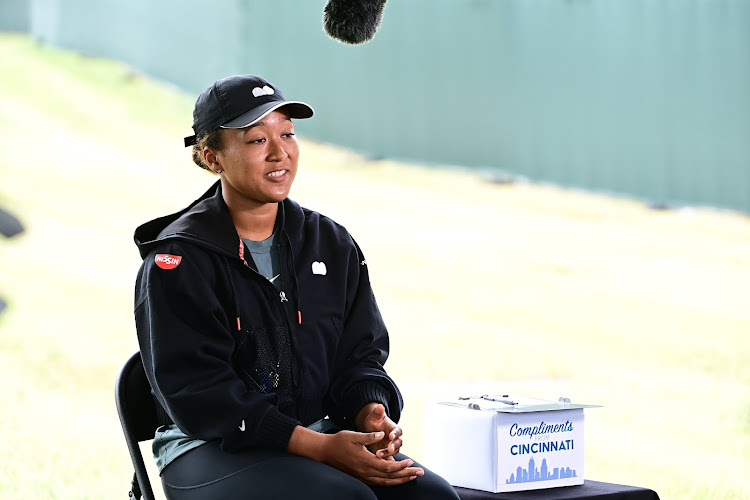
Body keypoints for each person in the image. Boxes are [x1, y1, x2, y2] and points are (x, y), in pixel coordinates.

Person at [133, 74, 460, 500]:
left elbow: (359, 355)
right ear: (213, 157)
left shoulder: (331, 243)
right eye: (256, 140)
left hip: (319, 434)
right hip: (207, 448)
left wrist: (369, 411)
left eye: (287, 133)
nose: (279, 152)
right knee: (345, 498)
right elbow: (202, 398)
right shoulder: (178, 261)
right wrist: (320, 449)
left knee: (432, 497)